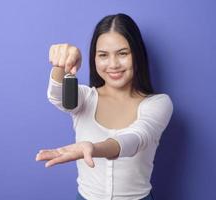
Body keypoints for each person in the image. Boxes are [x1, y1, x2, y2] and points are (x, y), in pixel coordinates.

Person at [36, 13, 173, 200]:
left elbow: (136, 138)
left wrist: (93, 148)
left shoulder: (158, 103)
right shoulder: (86, 98)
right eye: (103, 55)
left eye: (123, 53)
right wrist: (62, 65)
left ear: (137, 54)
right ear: (94, 58)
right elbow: (57, 96)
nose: (113, 64)